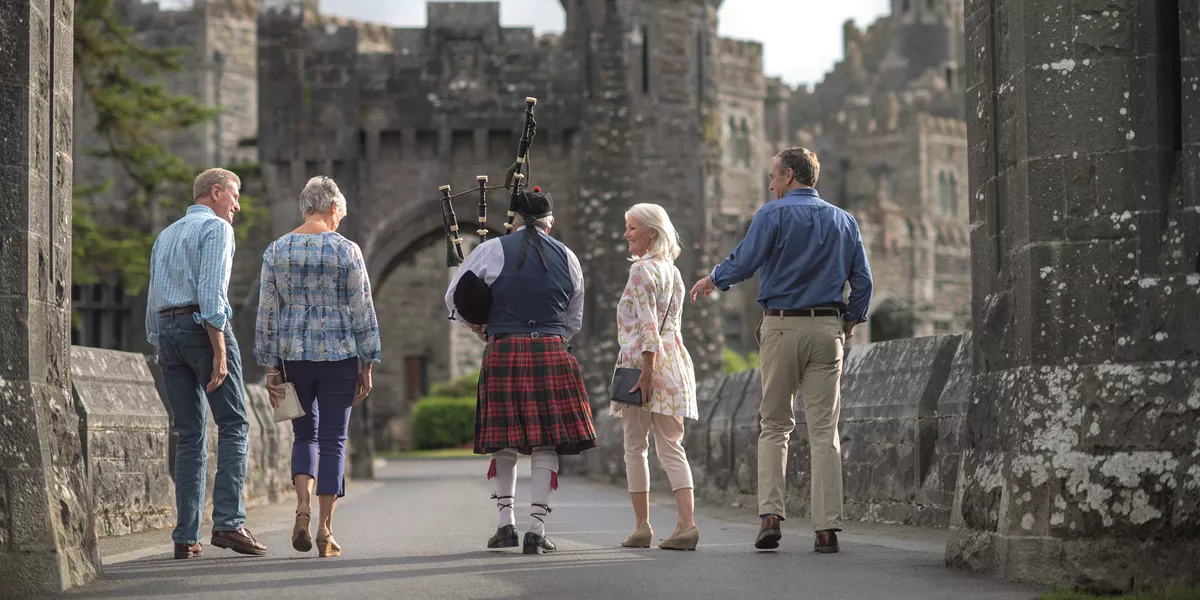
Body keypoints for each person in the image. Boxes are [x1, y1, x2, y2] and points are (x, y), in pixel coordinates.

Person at [689, 147, 873, 554]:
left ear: (789, 175)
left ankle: (771, 517)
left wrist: (713, 279)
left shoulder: (771, 214)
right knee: (824, 432)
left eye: (773, 176)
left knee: (775, 426)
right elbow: (863, 281)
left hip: (782, 324)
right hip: (827, 329)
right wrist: (849, 321)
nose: (771, 185)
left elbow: (746, 261)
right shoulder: (845, 220)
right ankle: (826, 530)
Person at [444, 187, 596, 555]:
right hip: (552, 350)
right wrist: (550, 336)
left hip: (504, 348)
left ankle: (505, 525)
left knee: (504, 441)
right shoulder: (569, 257)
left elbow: (454, 298)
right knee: (546, 443)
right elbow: (573, 319)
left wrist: (480, 329)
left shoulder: (492, 249)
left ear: (513, 221)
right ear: (549, 222)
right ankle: (537, 530)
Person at [254, 176, 381, 558]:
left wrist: (271, 366)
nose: (340, 220)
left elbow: (267, 312)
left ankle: (302, 509)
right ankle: (325, 528)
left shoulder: (277, 250)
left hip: (293, 358)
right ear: (332, 208)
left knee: (304, 437)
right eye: (340, 214)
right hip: (339, 356)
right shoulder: (346, 250)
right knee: (333, 441)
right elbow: (362, 308)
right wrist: (368, 361)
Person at [145, 167, 268, 559]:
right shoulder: (217, 229)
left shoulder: (166, 235)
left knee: (189, 434)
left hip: (167, 331)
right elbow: (212, 294)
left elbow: (153, 299)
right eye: (235, 196)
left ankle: (186, 536)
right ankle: (229, 523)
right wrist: (219, 349)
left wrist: (161, 342)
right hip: (203, 328)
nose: (237, 206)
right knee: (234, 424)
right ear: (216, 192)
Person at [613, 203, 699, 551]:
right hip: (674, 364)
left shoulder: (641, 271)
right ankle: (686, 525)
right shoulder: (673, 272)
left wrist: (647, 373)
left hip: (643, 366)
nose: (626, 234)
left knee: (635, 447)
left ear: (652, 232)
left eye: (632, 228)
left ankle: (642, 527)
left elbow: (647, 325)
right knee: (672, 447)